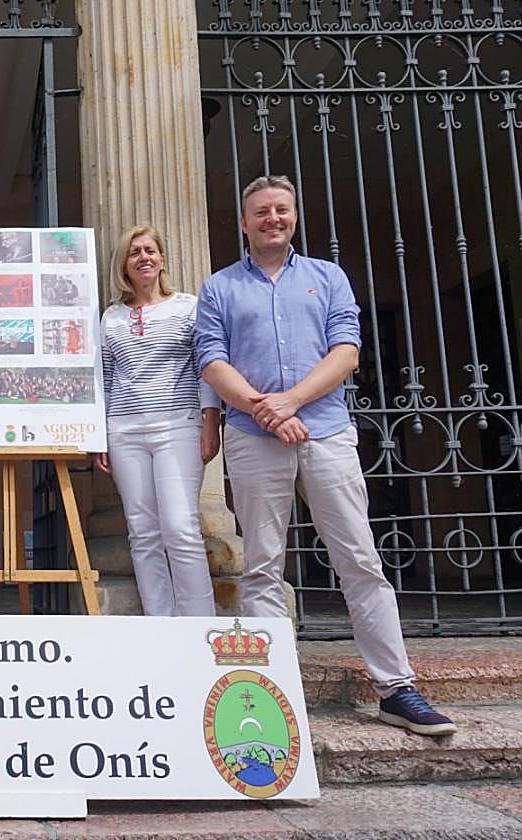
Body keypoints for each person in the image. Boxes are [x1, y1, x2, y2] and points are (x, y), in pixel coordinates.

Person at [196, 175, 456, 736]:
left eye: (281, 210)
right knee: (262, 566)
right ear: (244, 223)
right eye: (261, 211)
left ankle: (396, 688)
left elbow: (347, 350)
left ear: (294, 217)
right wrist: (266, 411)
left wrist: (288, 403)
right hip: (252, 436)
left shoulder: (327, 277)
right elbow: (212, 361)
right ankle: (273, 690)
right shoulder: (218, 288)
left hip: (326, 433)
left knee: (359, 560)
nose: (272, 219)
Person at [93, 226, 220, 617]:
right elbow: (106, 377)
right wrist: (100, 433)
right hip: (124, 431)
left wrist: (210, 421)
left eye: (151, 250)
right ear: (124, 265)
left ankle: (200, 627)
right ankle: (160, 624)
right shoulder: (111, 317)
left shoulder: (188, 306)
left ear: (163, 258)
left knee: (180, 528)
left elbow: (207, 368)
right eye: (135, 253)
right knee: (142, 533)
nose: (144, 257)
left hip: (178, 426)